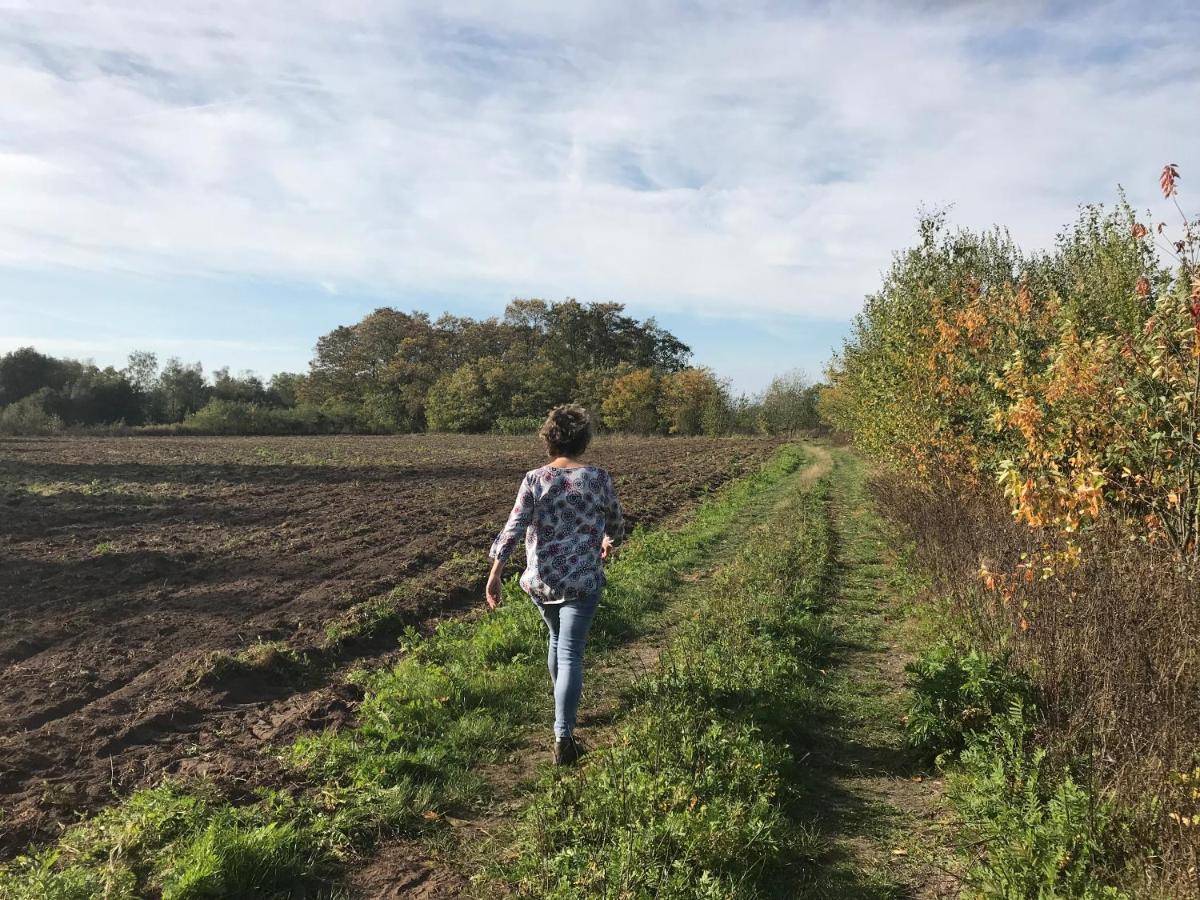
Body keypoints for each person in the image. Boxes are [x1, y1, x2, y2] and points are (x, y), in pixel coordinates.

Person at [486, 404, 624, 765]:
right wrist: (608, 541)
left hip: (541, 582)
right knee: (571, 653)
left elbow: (513, 527)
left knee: (556, 641)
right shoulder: (598, 478)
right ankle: (564, 737)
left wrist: (496, 573)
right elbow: (616, 525)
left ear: (549, 439)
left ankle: (563, 703)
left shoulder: (535, 479)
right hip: (582, 581)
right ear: (584, 440)